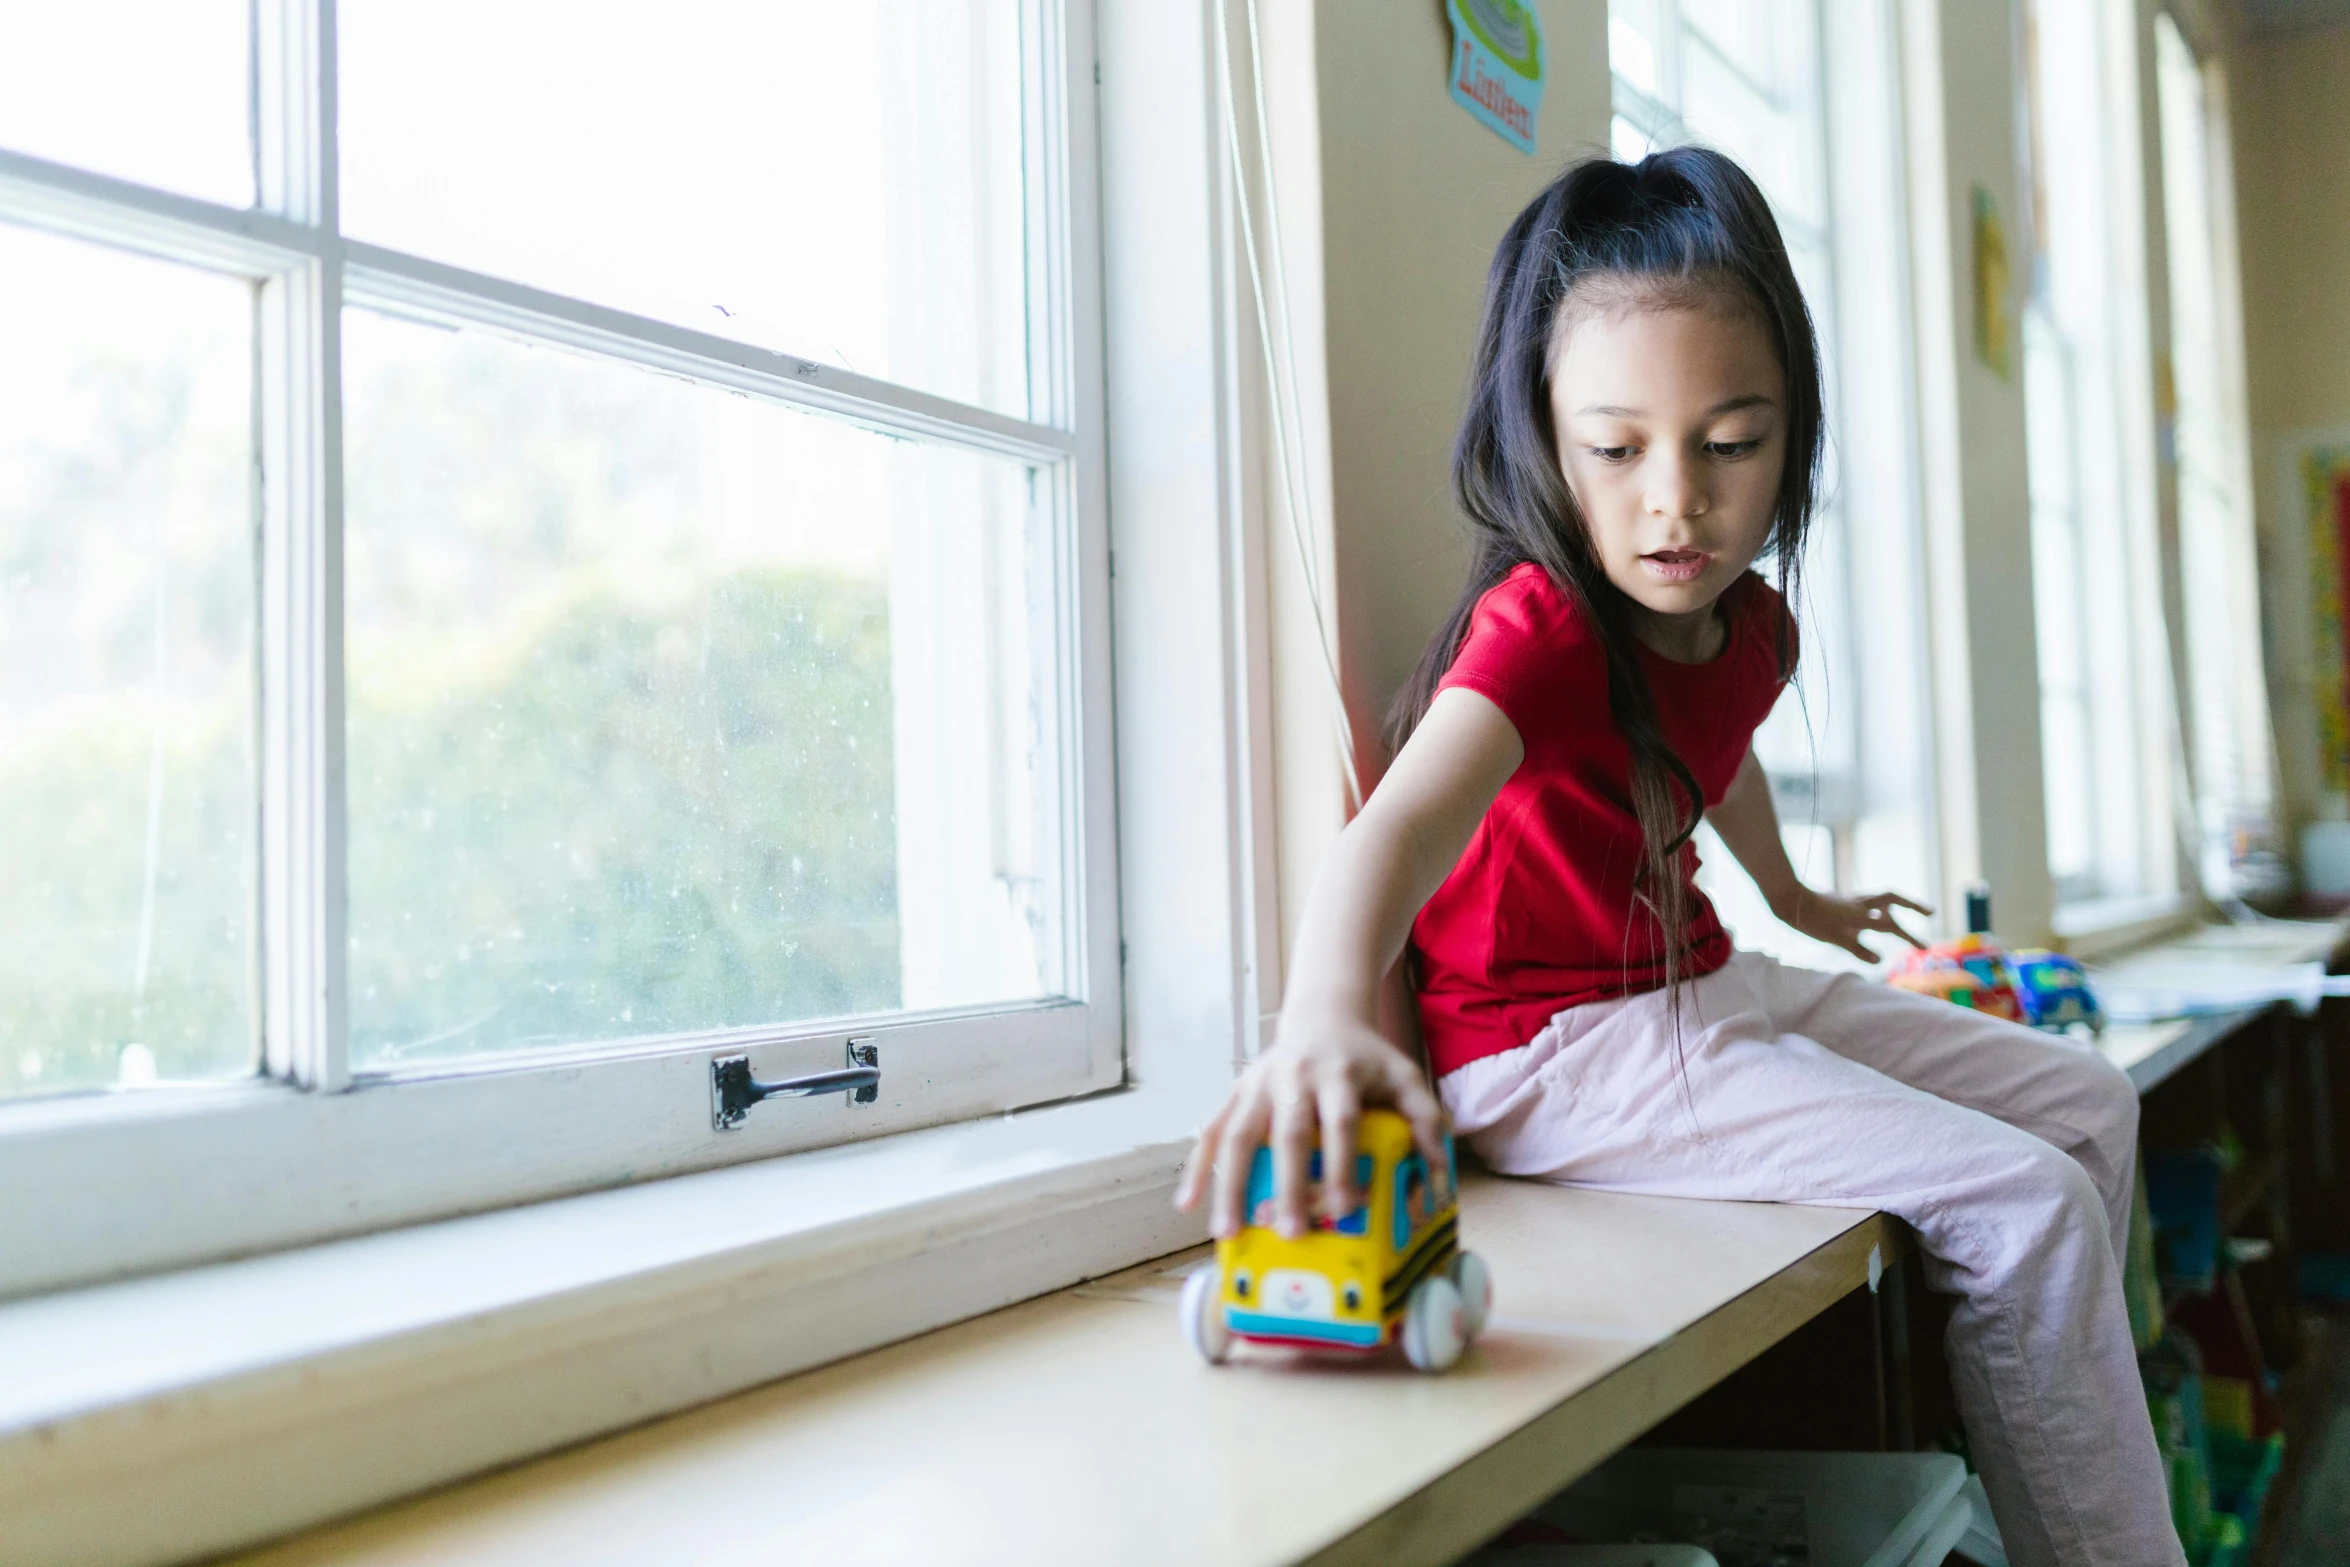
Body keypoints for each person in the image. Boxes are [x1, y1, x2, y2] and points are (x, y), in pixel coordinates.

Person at [1173, 147, 2180, 1567]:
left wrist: (1789, 893)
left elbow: (1722, 754)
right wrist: (1324, 1017)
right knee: (2025, 1200)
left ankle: (2045, 1445)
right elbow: (1392, 827)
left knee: (2085, 1104)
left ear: (1791, 435)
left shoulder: (1750, 626)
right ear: (1542, 435)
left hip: (1700, 987)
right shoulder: (1540, 629)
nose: (1675, 503)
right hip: (1552, 1047)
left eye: (1729, 443)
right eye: (1616, 448)